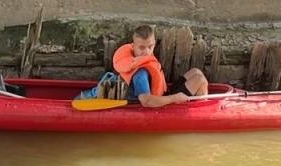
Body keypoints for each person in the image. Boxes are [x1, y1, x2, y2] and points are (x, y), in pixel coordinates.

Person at [77, 24, 209, 106]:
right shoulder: (140, 74)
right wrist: (175, 98)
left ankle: (200, 106)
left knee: (197, 72)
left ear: (154, 44)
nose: (146, 52)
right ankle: (202, 112)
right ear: (132, 46)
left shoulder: (143, 59)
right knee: (200, 80)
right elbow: (146, 101)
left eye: (150, 47)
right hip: (156, 101)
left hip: (161, 95)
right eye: (141, 48)